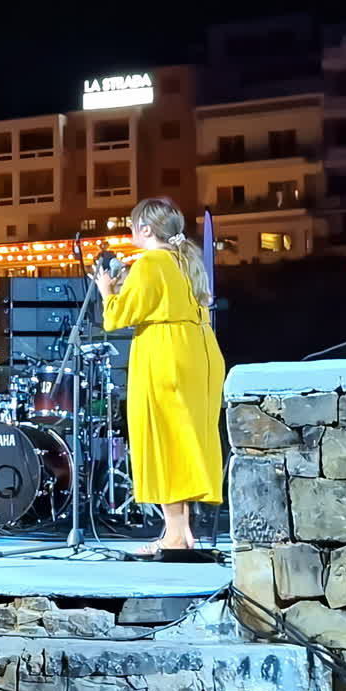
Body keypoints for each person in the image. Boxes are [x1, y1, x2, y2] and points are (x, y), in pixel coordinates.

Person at [95, 197, 225, 555]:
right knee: (186, 440)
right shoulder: (185, 260)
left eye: (134, 225)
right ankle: (181, 533)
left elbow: (117, 318)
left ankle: (174, 534)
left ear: (147, 229)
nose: (131, 231)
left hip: (165, 353)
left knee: (164, 440)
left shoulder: (150, 263)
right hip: (198, 351)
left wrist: (108, 291)